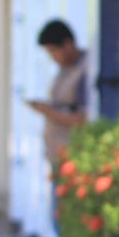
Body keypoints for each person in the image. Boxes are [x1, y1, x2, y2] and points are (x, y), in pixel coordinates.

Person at [26, 18, 87, 172]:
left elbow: (81, 118)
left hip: (74, 158)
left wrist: (46, 110)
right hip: (59, 156)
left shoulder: (86, 70)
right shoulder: (65, 69)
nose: (52, 57)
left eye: (53, 51)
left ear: (67, 43)